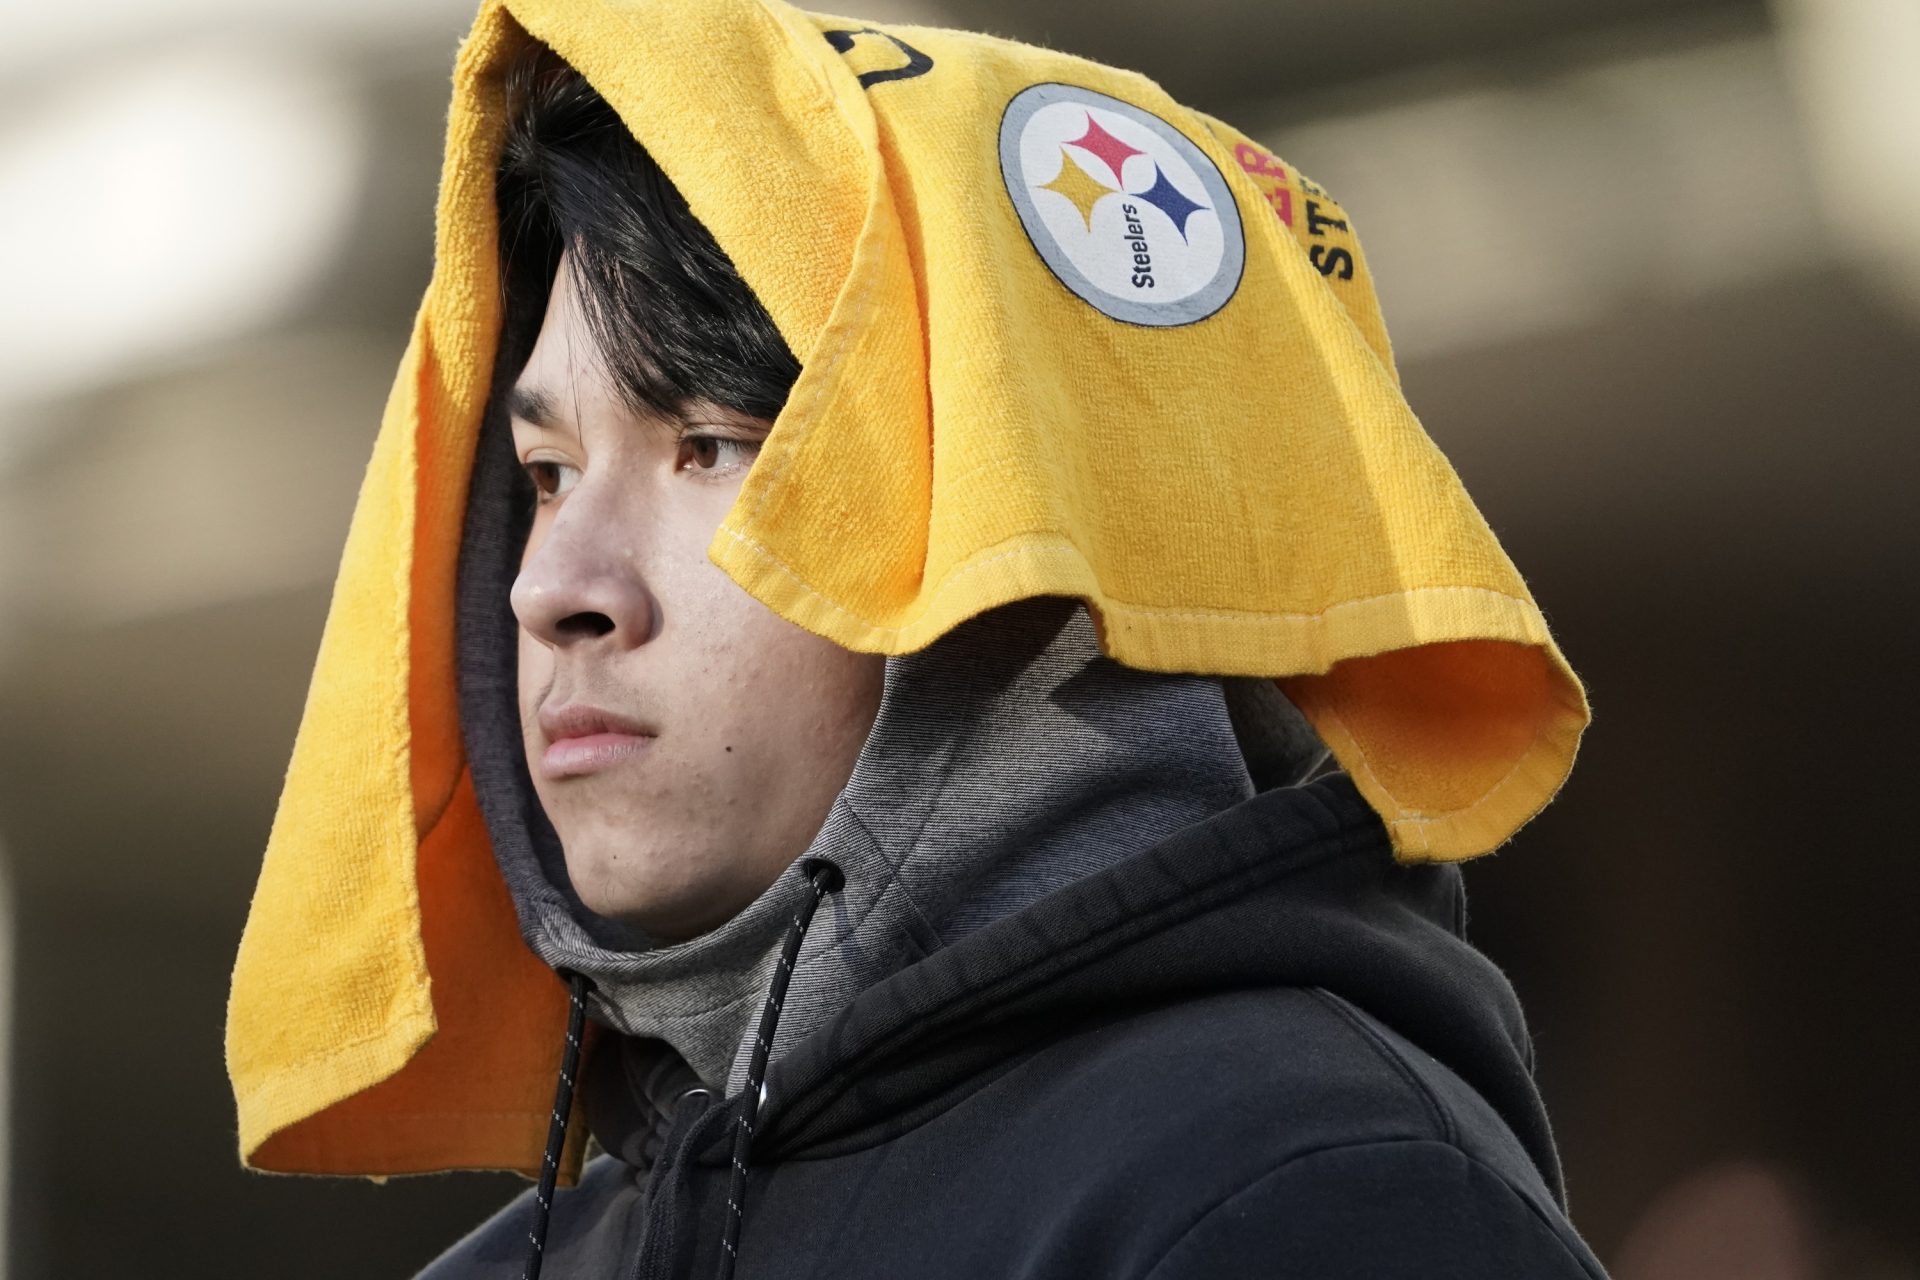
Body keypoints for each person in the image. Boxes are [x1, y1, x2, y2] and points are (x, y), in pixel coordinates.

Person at [226, 3, 1605, 1277]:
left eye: (716, 450)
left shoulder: (1306, 1201)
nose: (555, 590)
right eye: (545, 476)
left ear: (1040, 511)